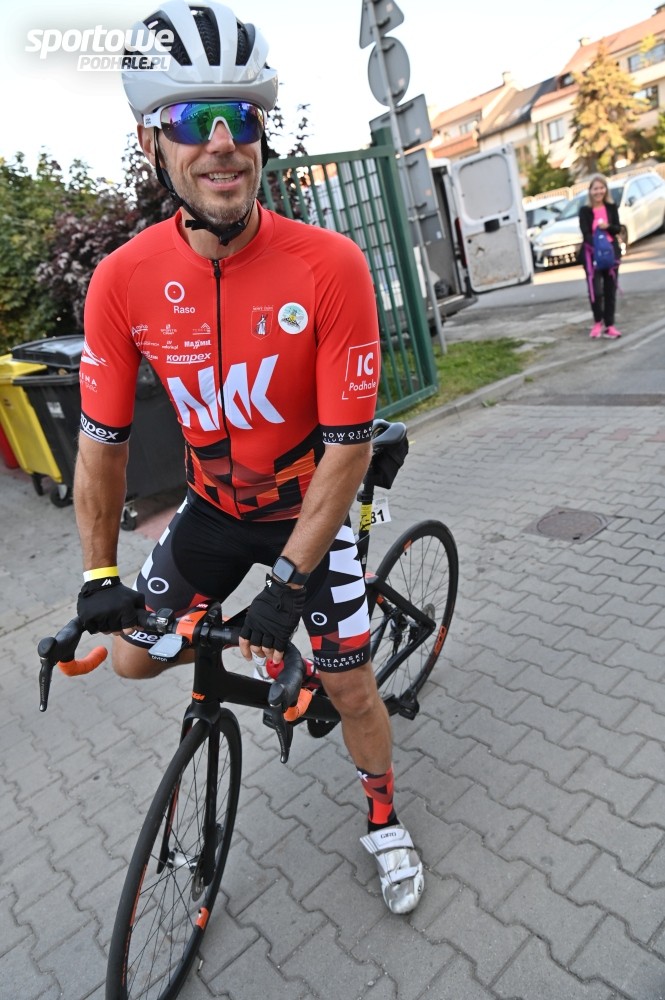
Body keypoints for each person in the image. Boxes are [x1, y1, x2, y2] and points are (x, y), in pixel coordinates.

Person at [73, 0, 423, 915]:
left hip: (311, 510)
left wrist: (289, 584)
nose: (223, 142)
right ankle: (260, 649)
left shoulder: (328, 265)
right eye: (195, 119)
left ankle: (384, 816)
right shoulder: (122, 281)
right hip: (215, 510)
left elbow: (346, 450)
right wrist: (98, 573)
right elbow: (100, 448)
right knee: (131, 660)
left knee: (350, 689)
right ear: (152, 142)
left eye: (242, 116)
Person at [579, 174, 622, 339]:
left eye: (601, 188)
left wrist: (607, 226)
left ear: (606, 189)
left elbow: (617, 228)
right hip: (592, 256)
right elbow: (585, 233)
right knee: (596, 291)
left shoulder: (611, 207)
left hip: (611, 255)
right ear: (590, 191)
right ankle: (598, 322)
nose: (599, 191)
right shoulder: (584, 211)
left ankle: (610, 325)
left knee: (610, 290)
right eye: (595, 188)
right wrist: (598, 245)